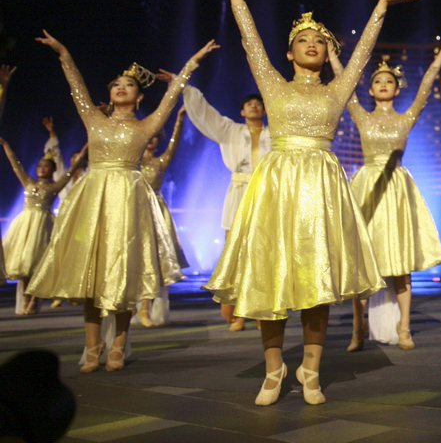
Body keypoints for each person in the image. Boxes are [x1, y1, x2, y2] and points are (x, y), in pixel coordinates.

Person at [198, 0, 416, 406]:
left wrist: (381, 7)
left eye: (320, 39)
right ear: (290, 51)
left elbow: (364, 54)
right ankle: (274, 368)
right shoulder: (272, 85)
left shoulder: (338, 89)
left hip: (321, 187)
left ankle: (311, 370)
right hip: (277, 187)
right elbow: (251, 43)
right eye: (304, 39)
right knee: (270, 280)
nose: (312, 43)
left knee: (317, 281)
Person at [27, 34, 216, 373]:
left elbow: (173, 95)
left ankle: (118, 343)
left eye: (129, 85)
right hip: (93, 197)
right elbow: (77, 88)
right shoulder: (93, 118)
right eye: (117, 84)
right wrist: (63, 52)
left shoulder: (147, 124)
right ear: (110, 94)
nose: (121, 87)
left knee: (124, 273)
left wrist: (194, 60)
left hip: (128, 198)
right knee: (91, 275)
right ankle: (92, 343)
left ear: (139, 96)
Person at [342, 25, 441, 352]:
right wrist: (336, 59)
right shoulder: (362, 117)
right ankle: (357, 330)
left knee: (400, 267)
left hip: (395, 190)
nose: (382, 84)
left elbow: (427, 83)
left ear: (396, 90)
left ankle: (404, 327)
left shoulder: (406, 118)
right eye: (377, 81)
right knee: (361, 265)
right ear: (371, 89)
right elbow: (344, 86)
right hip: (366, 188)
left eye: (389, 82)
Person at [157, 75, 269, 332]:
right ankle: (239, 312)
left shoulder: (275, 134)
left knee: (264, 255)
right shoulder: (230, 131)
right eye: (249, 104)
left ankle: (264, 312)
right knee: (237, 256)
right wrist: (185, 86)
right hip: (239, 192)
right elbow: (208, 115)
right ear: (242, 111)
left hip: (266, 193)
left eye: (258, 104)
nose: (254, 106)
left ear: (264, 110)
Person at [1, 122, 75, 315]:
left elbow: (75, 166)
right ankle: (27, 301)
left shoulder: (55, 185)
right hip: (26, 225)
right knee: (25, 266)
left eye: (46, 166)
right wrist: (6, 145)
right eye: (40, 165)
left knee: (40, 265)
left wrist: (87, 147)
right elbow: (15, 164)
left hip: (44, 226)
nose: (42, 168)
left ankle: (35, 299)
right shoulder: (28, 182)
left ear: (52, 170)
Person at [136, 106, 189, 327]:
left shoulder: (161, 161)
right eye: (148, 137)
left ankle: (146, 308)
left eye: (155, 138)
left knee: (155, 259)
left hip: (156, 209)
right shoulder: (133, 161)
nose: (152, 141)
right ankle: (130, 306)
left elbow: (174, 144)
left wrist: (179, 121)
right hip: (134, 208)